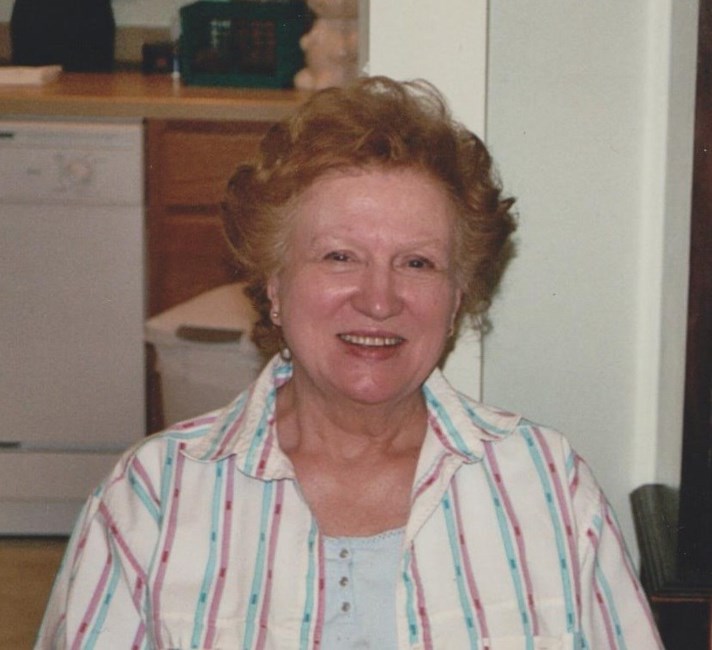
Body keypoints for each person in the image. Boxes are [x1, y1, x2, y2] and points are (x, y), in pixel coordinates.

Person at [36, 76, 663, 649]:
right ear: (275, 285)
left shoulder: (548, 486)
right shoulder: (153, 498)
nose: (379, 299)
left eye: (417, 263)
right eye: (339, 257)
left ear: (455, 300)